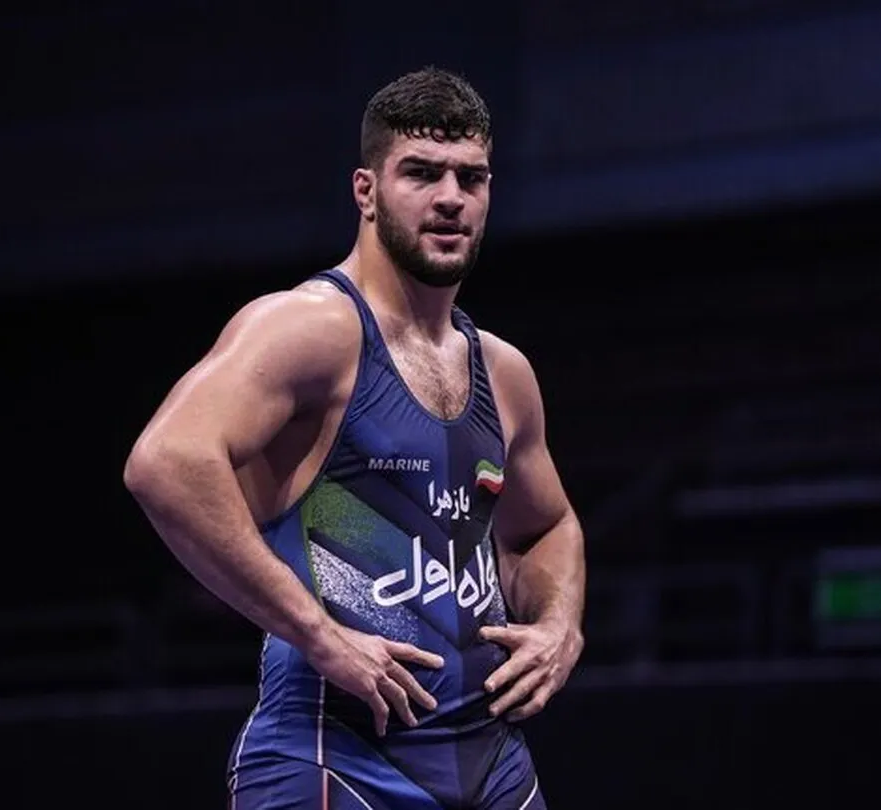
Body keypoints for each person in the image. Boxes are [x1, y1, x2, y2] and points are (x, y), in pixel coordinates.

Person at [124, 66, 585, 809]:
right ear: (365, 191)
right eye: (422, 173)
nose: (450, 198)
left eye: (471, 178)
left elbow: (547, 525)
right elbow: (166, 463)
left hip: (493, 764)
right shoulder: (310, 329)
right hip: (336, 758)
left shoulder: (504, 373)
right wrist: (317, 632)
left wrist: (560, 626)